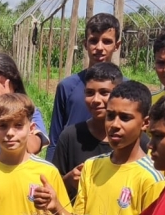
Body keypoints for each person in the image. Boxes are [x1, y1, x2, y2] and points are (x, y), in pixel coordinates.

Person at [36, 81, 165, 215]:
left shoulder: (152, 179)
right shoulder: (91, 166)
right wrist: (56, 206)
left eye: (125, 118)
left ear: (145, 123)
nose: (115, 124)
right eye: (110, 116)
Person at [52, 63, 138, 197]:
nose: (96, 100)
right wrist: (68, 180)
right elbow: (52, 187)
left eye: (104, 93)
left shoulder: (135, 139)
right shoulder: (70, 136)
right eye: (90, 93)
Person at [46, 13, 122, 162]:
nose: (99, 47)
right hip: (74, 167)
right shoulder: (67, 87)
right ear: (85, 44)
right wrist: (54, 175)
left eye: (107, 41)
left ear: (117, 46)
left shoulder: (125, 88)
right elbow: (54, 140)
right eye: (93, 41)